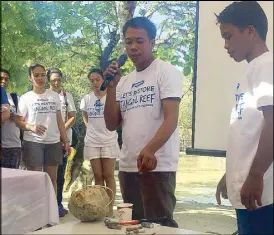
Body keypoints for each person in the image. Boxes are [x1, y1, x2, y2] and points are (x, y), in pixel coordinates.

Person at [103, 17, 182, 227]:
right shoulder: (125, 81)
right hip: (129, 166)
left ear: (152, 42)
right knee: (134, 227)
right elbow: (112, 124)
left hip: (156, 165)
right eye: (128, 42)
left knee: (159, 227)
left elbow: (171, 119)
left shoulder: (165, 71)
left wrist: (150, 149)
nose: (133, 47)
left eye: (139, 41)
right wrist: (111, 87)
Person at [215, 2, 273, 235]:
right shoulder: (250, 71)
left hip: (263, 195)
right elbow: (248, 132)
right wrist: (232, 174)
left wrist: (256, 175)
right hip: (251, 189)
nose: (226, 46)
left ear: (250, 31)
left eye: (229, 37)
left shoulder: (266, 66)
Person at [15, 64, 70, 196]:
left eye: (43, 75)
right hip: (33, 142)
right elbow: (18, 121)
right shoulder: (25, 98)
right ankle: (35, 212)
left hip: (53, 142)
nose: (40, 78)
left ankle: (51, 211)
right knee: (35, 179)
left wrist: (65, 140)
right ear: (30, 78)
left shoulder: (54, 96)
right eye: (36, 75)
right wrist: (31, 127)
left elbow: (59, 120)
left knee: (52, 179)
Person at [80, 68, 119, 217]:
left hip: (109, 139)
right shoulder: (86, 99)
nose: (95, 82)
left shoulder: (111, 96)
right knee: (98, 175)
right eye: (92, 80)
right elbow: (85, 115)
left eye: (97, 79)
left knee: (108, 175)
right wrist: (89, 127)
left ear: (103, 80)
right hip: (92, 141)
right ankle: (100, 207)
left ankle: (109, 209)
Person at [47, 68, 77, 217]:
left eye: (58, 79)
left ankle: (58, 204)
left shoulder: (66, 96)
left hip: (63, 142)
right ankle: (46, 206)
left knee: (60, 175)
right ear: (49, 81)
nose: (56, 82)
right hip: (47, 141)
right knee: (46, 175)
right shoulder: (44, 95)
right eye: (53, 79)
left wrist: (61, 131)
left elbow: (72, 116)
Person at [0, 69, 22, 169]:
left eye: (6, 79)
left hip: (13, 146)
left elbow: (26, 121)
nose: (3, 81)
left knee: (12, 181)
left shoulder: (16, 98)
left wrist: (15, 117)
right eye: (1, 78)